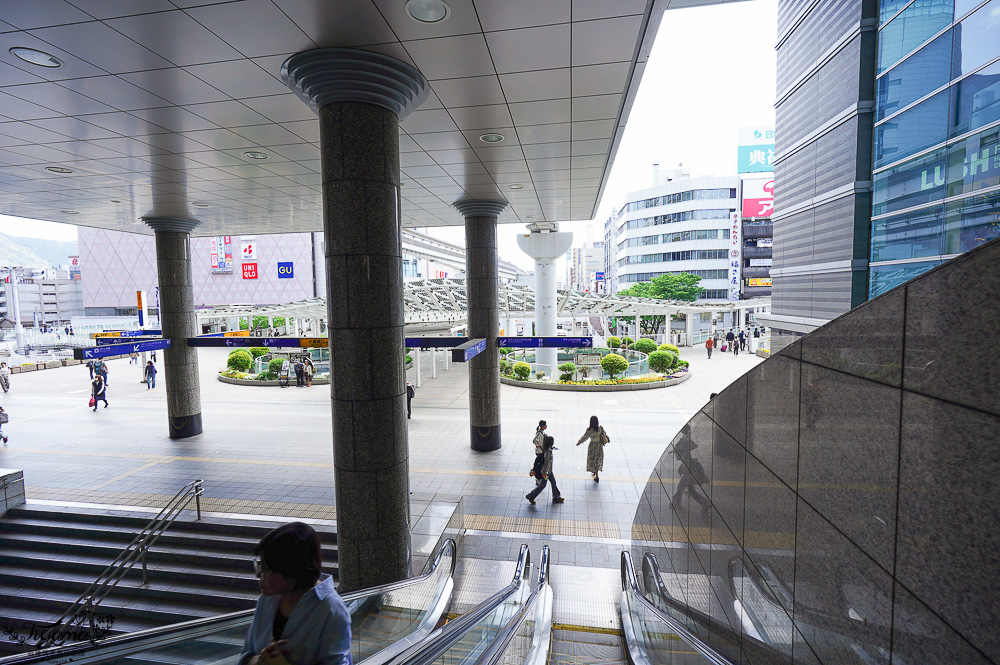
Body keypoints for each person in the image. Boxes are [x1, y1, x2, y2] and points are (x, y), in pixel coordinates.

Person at [238, 522, 351, 665]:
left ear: (291, 571)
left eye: (266, 568)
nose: (258, 574)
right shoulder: (267, 599)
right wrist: (257, 661)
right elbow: (247, 654)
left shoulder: (331, 610)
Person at [671, 425, 711, 514]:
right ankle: (704, 503)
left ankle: (676, 502)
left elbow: (684, 451)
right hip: (687, 467)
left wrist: (679, 451)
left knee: (683, 487)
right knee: (690, 490)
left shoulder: (686, 439)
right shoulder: (686, 437)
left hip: (688, 468)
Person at [526, 434, 564, 504]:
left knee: (553, 482)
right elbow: (546, 463)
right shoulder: (547, 452)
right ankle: (531, 496)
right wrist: (544, 473)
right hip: (546, 473)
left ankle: (556, 496)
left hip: (549, 472)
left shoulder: (547, 450)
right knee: (542, 485)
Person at [577, 415, 610, 483]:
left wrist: (579, 442)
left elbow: (585, 437)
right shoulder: (600, 428)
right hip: (599, 446)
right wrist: (608, 439)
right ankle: (596, 472)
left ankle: (596, 475)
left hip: (592, 446)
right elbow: (605, 434)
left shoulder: (590, 430)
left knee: (592, 459)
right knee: (597, 460)